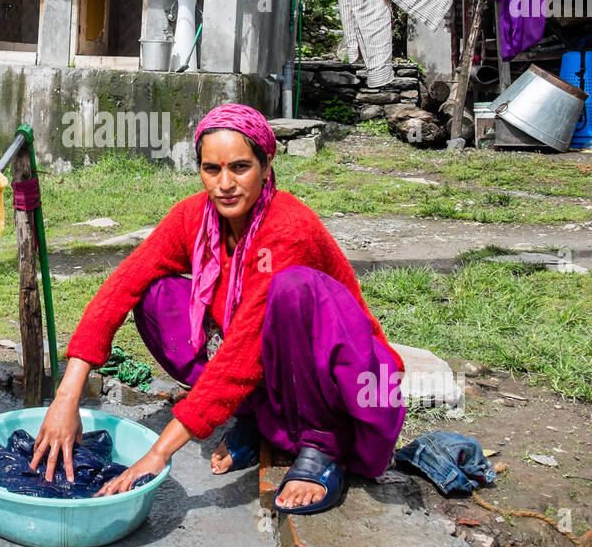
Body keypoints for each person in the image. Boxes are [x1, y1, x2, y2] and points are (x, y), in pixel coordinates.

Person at [31, 104, 406, 513]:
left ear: (266, 165)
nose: (225, 184)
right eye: (212, 169)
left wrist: (158, 452)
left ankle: (321, 446)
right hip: (269, 373)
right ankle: (256, 417)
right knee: (154, 295)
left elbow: (244, 352)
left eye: (240, 167)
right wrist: (67, 396)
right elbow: (122, 285)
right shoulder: (193, 217)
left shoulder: (287, 230)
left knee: (292, 289)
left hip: (333, 384)